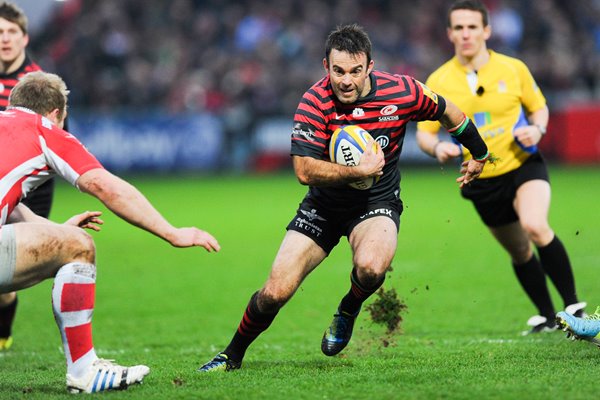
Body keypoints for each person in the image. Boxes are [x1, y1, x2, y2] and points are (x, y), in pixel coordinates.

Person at [198, 23, 489, 372]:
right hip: (323, 207)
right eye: (338, 71)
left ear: (370, 66)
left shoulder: (402, 92)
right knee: (274, 292)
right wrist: (358, 171)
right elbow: (304, 170)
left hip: (375, 203)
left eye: (354, 71)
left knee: (371, 268)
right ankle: (231, 355)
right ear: (326, 67)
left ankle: (347, 309)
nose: (346, 80)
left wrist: (479, 152)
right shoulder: (314, 100)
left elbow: (448, 111)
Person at [0, 71, 221, 392]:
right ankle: (84, 371)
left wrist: (53, 232)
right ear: (56, 113)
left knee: (67, 241)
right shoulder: (45, 130)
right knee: (79, 246)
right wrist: (172, 232)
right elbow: (106, 186)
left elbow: (15, 210)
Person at [415, 0, 585, 335]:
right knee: (520, 251)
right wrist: (438, 147)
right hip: (481, 180)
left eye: (473, 27)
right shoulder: (438, 80)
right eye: (459, 28)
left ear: (487, 31)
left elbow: (540, 109)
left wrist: (537, 129)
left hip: (523, 165)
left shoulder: (513, 68)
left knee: (535, 226)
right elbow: (423, 134)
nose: (466, 34)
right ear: (449, 33)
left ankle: (573, 305)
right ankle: (549, 317)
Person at [0, 1, 53, 351]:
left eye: (10, 32)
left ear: (24, 37)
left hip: (28, 192)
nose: (4, 39)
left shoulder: (37, 85)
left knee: (6, 279)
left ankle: (2, 334)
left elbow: (56, 141)